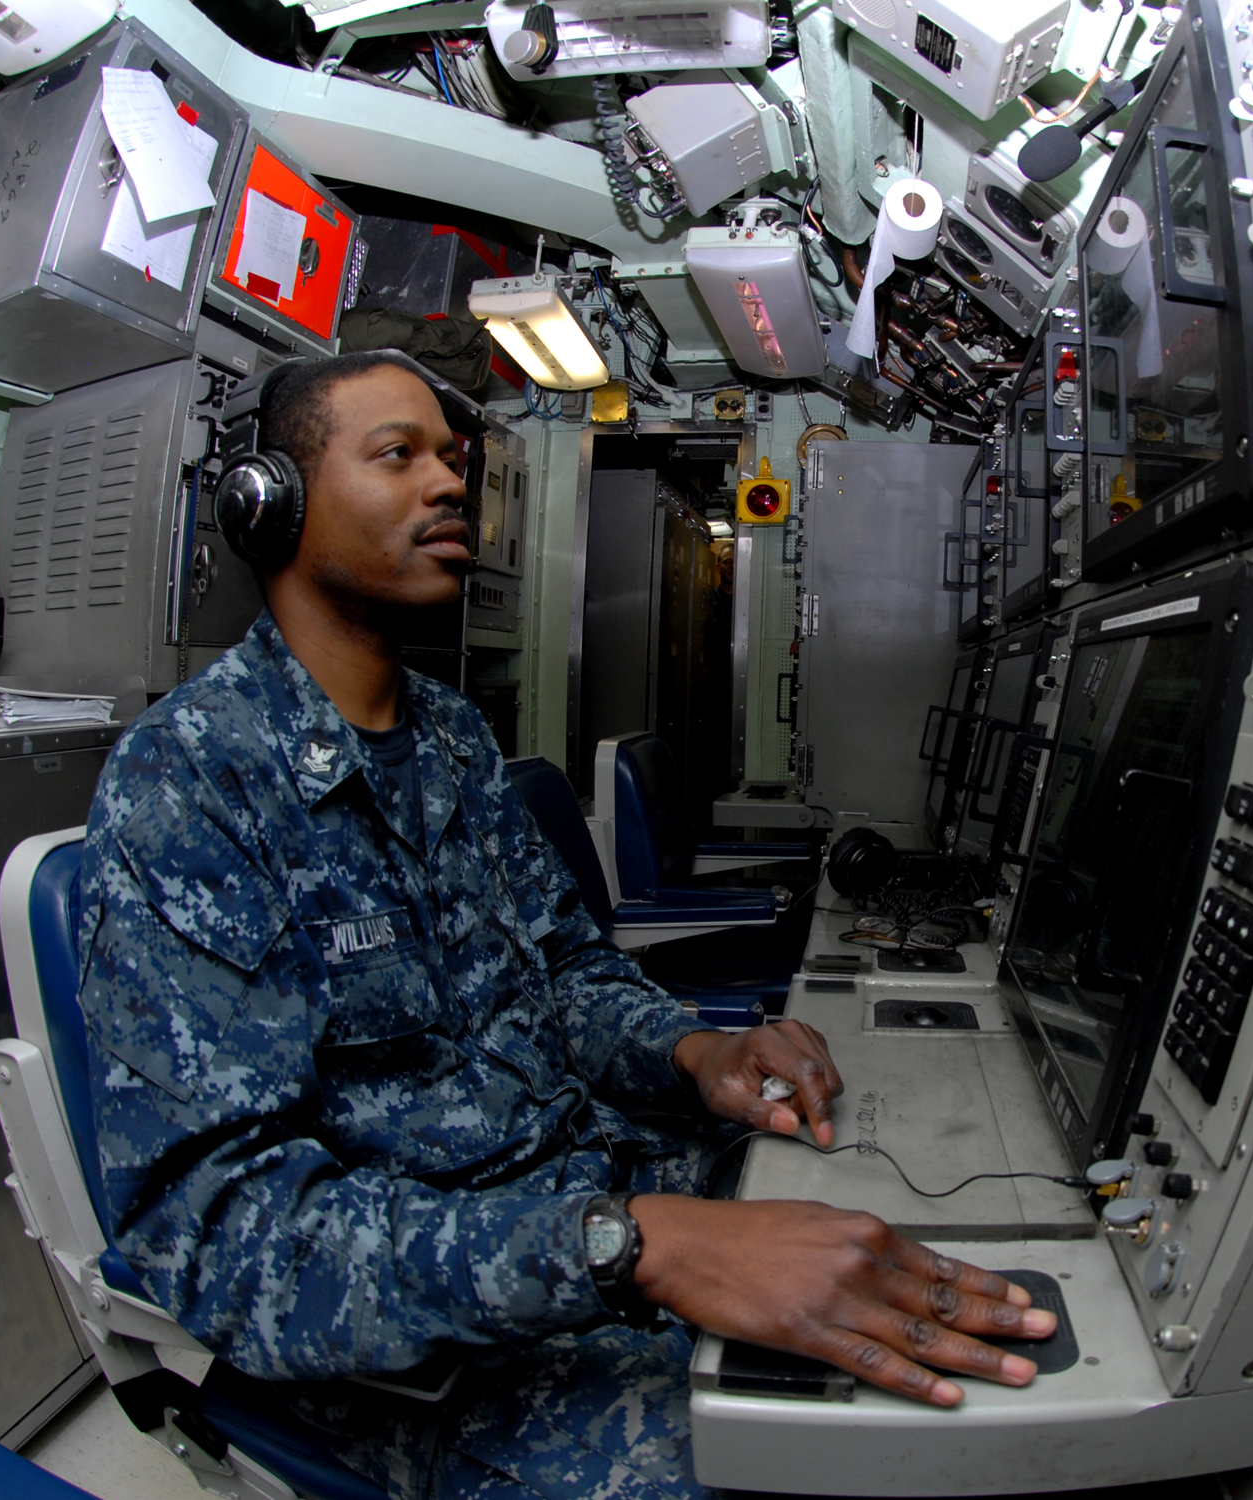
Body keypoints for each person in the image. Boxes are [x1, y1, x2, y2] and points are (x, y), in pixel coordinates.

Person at [78, 351, 1054, 1500]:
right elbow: (230, 1240)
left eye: (453, 456)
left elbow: (568, 976)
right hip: (444, 1363)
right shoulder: (192, 785)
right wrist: (632, 1245)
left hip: (609, 1199)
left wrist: (697, 1053)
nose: (449, 484)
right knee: (838, 1469)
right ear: (271, 504)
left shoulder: (446, 740)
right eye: (399, 456)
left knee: (922, 1232)